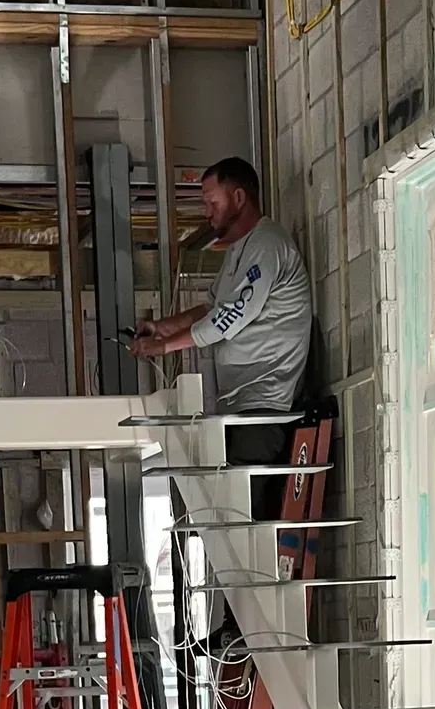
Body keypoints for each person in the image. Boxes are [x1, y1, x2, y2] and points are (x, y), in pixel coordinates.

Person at [131, 157, 313, 518]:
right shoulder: (239, 251)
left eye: (212, 202)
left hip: (264, 410)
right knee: (230, 515)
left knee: (246, 520)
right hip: (242, 407)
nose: (206, 212)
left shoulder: (266, 245)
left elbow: (226, 320)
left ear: (240, 197)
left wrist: (165, 347)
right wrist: (162, 326)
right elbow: (212, 307)